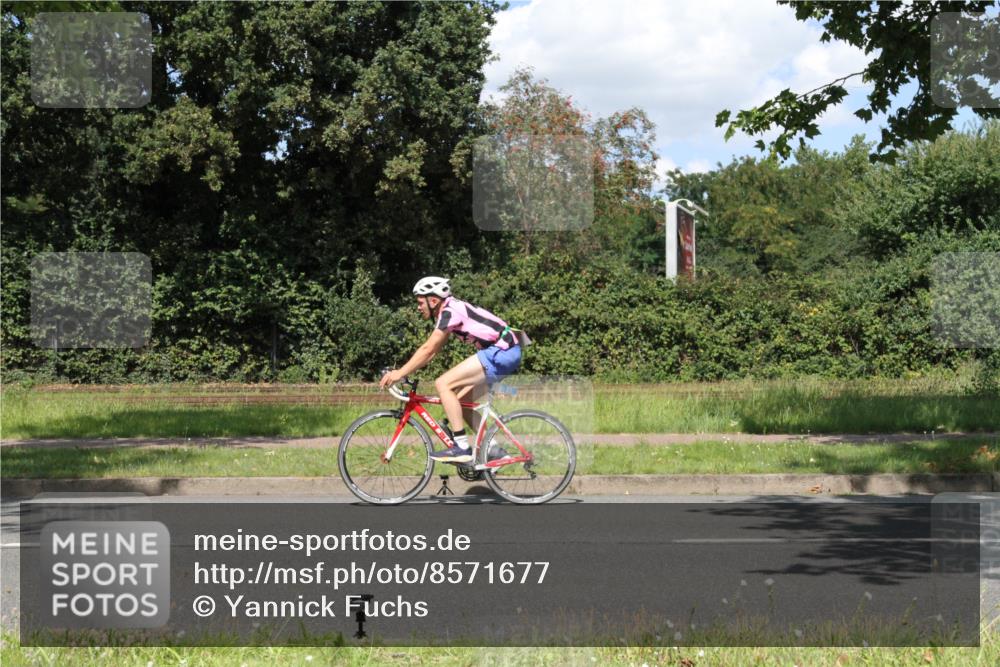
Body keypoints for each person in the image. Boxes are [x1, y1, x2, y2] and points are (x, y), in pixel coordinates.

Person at [379, 276, 521, 463]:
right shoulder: (449, 311)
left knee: (443, 383)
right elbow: (431, 352)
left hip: (501, 351)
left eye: (420, 302)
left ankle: (461, 447)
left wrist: (399, 373)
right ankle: (495, 451)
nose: (418, 307)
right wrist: (405, 371)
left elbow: (427, 349)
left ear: (433, 301)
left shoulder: (450, 311)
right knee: (462, 401)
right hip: (506, 351)